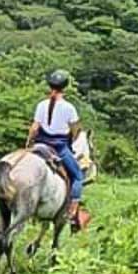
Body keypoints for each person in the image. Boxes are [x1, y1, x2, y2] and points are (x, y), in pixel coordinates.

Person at [26, 69, 85, 227]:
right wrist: (71, 139)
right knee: (79, 176)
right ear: (65, 87)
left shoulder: (41, 105)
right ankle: (72, 210)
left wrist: (28, 144)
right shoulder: (69, 108)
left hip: (40, 145)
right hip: (59, 148)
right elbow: (75, 130)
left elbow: (34, 128)